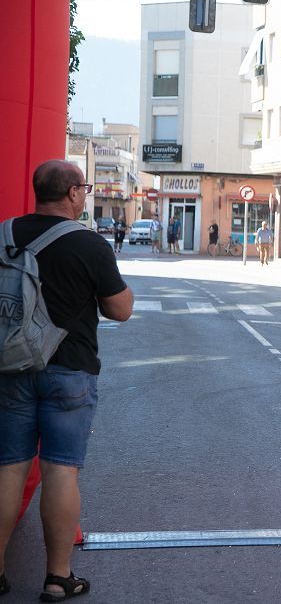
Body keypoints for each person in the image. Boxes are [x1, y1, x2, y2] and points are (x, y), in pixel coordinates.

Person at [0, 160, 134, 602]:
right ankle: (58, 578)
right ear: (75, 193)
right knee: (60, 470)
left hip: (9, 368)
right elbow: (120, 310)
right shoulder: (87, 244)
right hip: (69, 369)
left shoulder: (4, 235)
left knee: (8, 469)